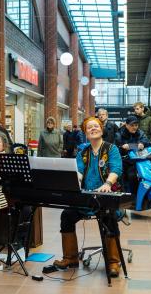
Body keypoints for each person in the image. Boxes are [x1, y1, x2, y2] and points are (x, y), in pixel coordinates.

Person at [53, 117, 124, 277]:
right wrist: (74, 181)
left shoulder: (111, 149)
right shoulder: (83, 152)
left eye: (96, 126)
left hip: (106, 196)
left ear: (101, 129)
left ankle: (113, 262)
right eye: (89, 127)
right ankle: (70, 258)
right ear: (85, 132)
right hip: (85, 197)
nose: (93, 129)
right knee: (67, 215)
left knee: (109, 218)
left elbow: (116, 169)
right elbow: (78, 171)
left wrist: (107, 183)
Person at [115, 116, 151, 194]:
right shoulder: (119, 134)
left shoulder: (140, 133)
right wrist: (122, 147)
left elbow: (147, 141)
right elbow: (116, 148)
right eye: (132, 125)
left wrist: (143, 143)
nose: (134, 127)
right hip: (125, 162)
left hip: (139, 161)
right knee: (129, 178)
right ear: (126, 125)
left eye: (136, 125)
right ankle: (129, 197)